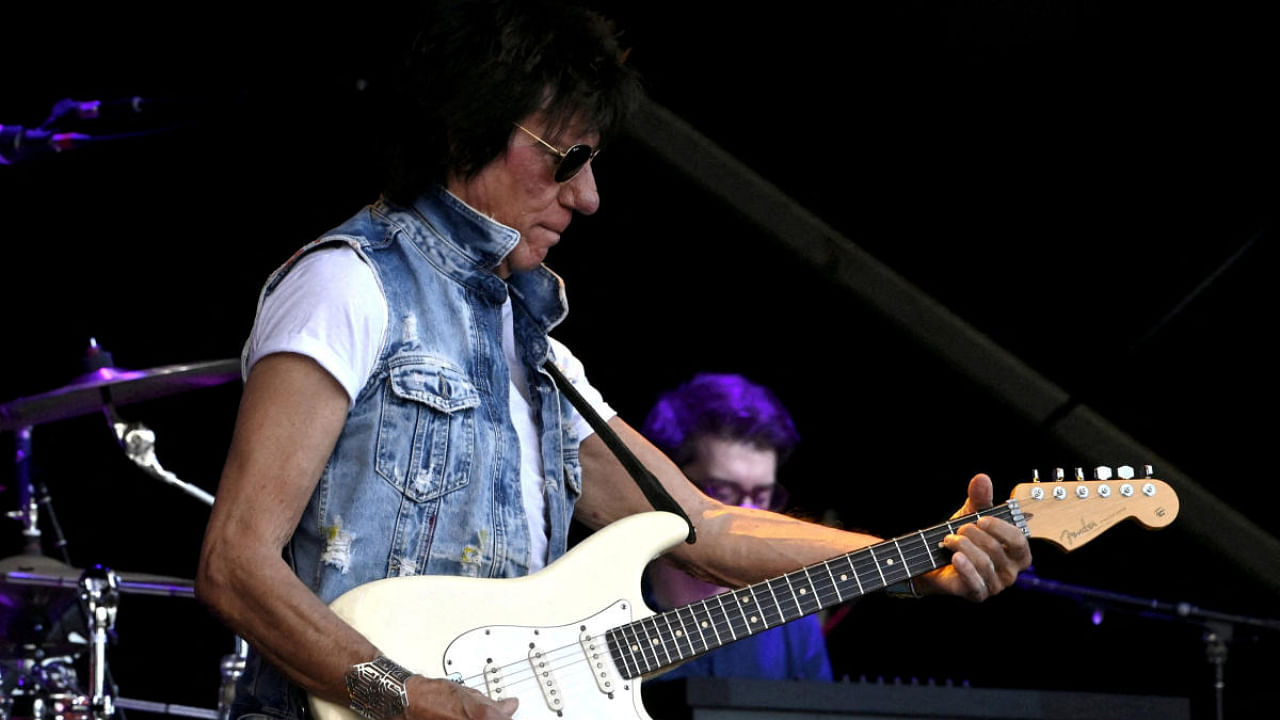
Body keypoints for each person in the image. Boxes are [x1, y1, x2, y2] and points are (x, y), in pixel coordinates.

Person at [195, 2, 1032, 720]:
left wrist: (914, 560)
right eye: (566, 160)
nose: (588, 197)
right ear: (465, 128)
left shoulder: (540, 356)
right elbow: (235, 563)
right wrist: (400, 695)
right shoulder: (347, 285)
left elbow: (702, 527)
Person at [641, 373, 832, 682]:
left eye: (761, 496)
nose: (749, 517)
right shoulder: (601, 602)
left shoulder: (793, 621)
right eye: (722, 493)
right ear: (667, 485)